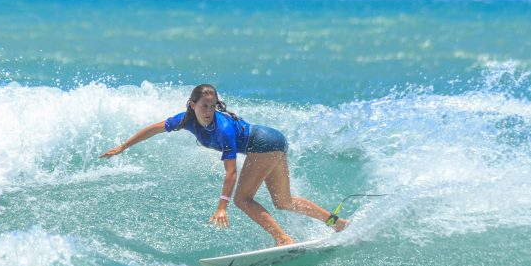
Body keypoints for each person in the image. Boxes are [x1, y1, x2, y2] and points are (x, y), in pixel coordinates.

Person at [99, 84, 349, 246]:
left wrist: (222, 207)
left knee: (243, 199)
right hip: (274, 140)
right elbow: (153, 129)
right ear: (192, 104)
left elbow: (231, 172)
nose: (208, 111)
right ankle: (337, 224)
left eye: (212, 106)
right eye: (203, 106)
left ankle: (283, 239)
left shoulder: (223, 129)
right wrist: (123, 147)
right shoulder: (184, 120)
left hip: (265, 143)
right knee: (283, 201)